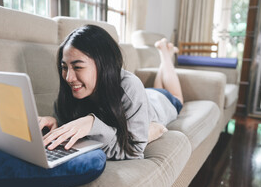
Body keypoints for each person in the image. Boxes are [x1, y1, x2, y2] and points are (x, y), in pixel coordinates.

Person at [38, 25, 183, 160]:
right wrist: (56, 122)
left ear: (103, 64)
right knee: (157, 86)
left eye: (77, 67)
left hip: (160, 103)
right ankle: (165, 54)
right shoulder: (73, 89)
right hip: (143, 96)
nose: (68, 77)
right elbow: (72, 127)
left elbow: (134, 152)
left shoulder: (130, 86)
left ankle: (165, 53)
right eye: (64, 67)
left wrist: (93, 123)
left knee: (175, 96)